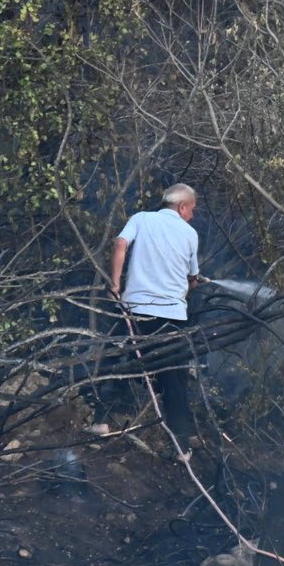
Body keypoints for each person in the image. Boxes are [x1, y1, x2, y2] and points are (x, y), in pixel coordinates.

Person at [94, 184, 204, 452]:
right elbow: (192, 280)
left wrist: (115, 284)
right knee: (174, 377)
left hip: (137, 311)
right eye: (192, 209)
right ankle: (180, 447)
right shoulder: (190, 233)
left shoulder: (141, 218)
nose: (192, 215)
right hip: (172, 318)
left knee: (117, 360)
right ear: (182, 207)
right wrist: (192, 283)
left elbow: (120, 244)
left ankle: (102, 422)